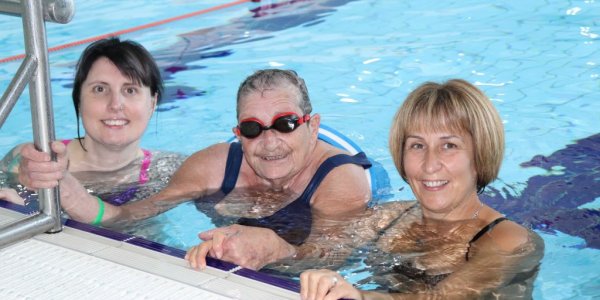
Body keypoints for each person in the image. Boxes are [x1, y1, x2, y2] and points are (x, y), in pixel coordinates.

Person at [13, 69, 373, 270]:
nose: (269, 141)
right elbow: (126, 217)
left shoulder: (340, 179)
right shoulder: (214, 164)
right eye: (252, 128)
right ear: (238, 134)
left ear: (312, 126)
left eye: (286, 123)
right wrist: (63, 184)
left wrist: (280, 250)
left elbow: (335, 256)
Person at [299, 79, 544, 299]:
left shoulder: (508, 240)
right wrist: (276, 251)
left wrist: (361, 298)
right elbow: (321, 254)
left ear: (480, 156)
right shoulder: (388, 218)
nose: (430, 165)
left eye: (449, 145)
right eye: (417, 145)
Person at [0, 37, 186, 212]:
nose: (115, 104)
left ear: (152, 103)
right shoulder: (32, 163)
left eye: (130, 90)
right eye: (100, 89)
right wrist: (20, 207)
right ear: (79, 101)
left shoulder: (169, 171)